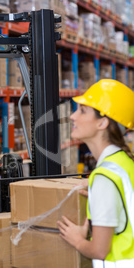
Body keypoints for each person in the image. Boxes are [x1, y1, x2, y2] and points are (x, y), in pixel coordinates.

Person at [57, 79, 134, 267]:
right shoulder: (124, 163)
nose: (73, 116)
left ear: (102, 123)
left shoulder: (105, 178)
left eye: (82, 110)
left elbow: (100, 250)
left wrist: (77, 240)